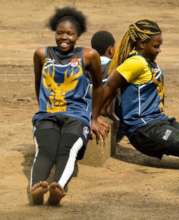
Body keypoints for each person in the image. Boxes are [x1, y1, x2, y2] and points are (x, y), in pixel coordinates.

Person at [93, 19, 179, 167]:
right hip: (145, 130)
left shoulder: (147, 61)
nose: (159, 50)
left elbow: (113, 90)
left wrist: (108, 110)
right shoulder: (136, 62)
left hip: (159, 122)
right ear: (142, 44)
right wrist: (95, 117)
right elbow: (109, 86)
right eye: (156, 46)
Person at [30, 6, 108, 206]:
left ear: (78, 35)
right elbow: (38, 84)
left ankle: (59, 188)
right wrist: (44, 109)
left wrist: (94, 117)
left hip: (77, 116)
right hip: (47, 114)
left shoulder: (89, 56)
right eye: (60, 33)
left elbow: (99, 87)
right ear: (55, 32)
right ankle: (36, 188)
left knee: (68, 149)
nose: (64, 37)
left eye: (70, 34)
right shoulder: (41, 54)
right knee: (45, 150)